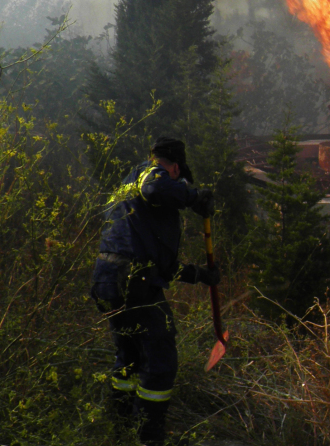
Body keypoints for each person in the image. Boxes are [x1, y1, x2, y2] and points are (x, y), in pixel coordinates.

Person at [90, 137, 218, 446]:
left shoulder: (133, 196)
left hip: (110, 280)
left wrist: (199, 275)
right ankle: (149, 439)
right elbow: (156, 187)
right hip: (132, 281)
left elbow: (160, 264)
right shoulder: (150, 174)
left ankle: (121, 432)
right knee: (160, 361)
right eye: (179, 178)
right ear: (175, 168)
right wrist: (193, 197)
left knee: (129, 359)